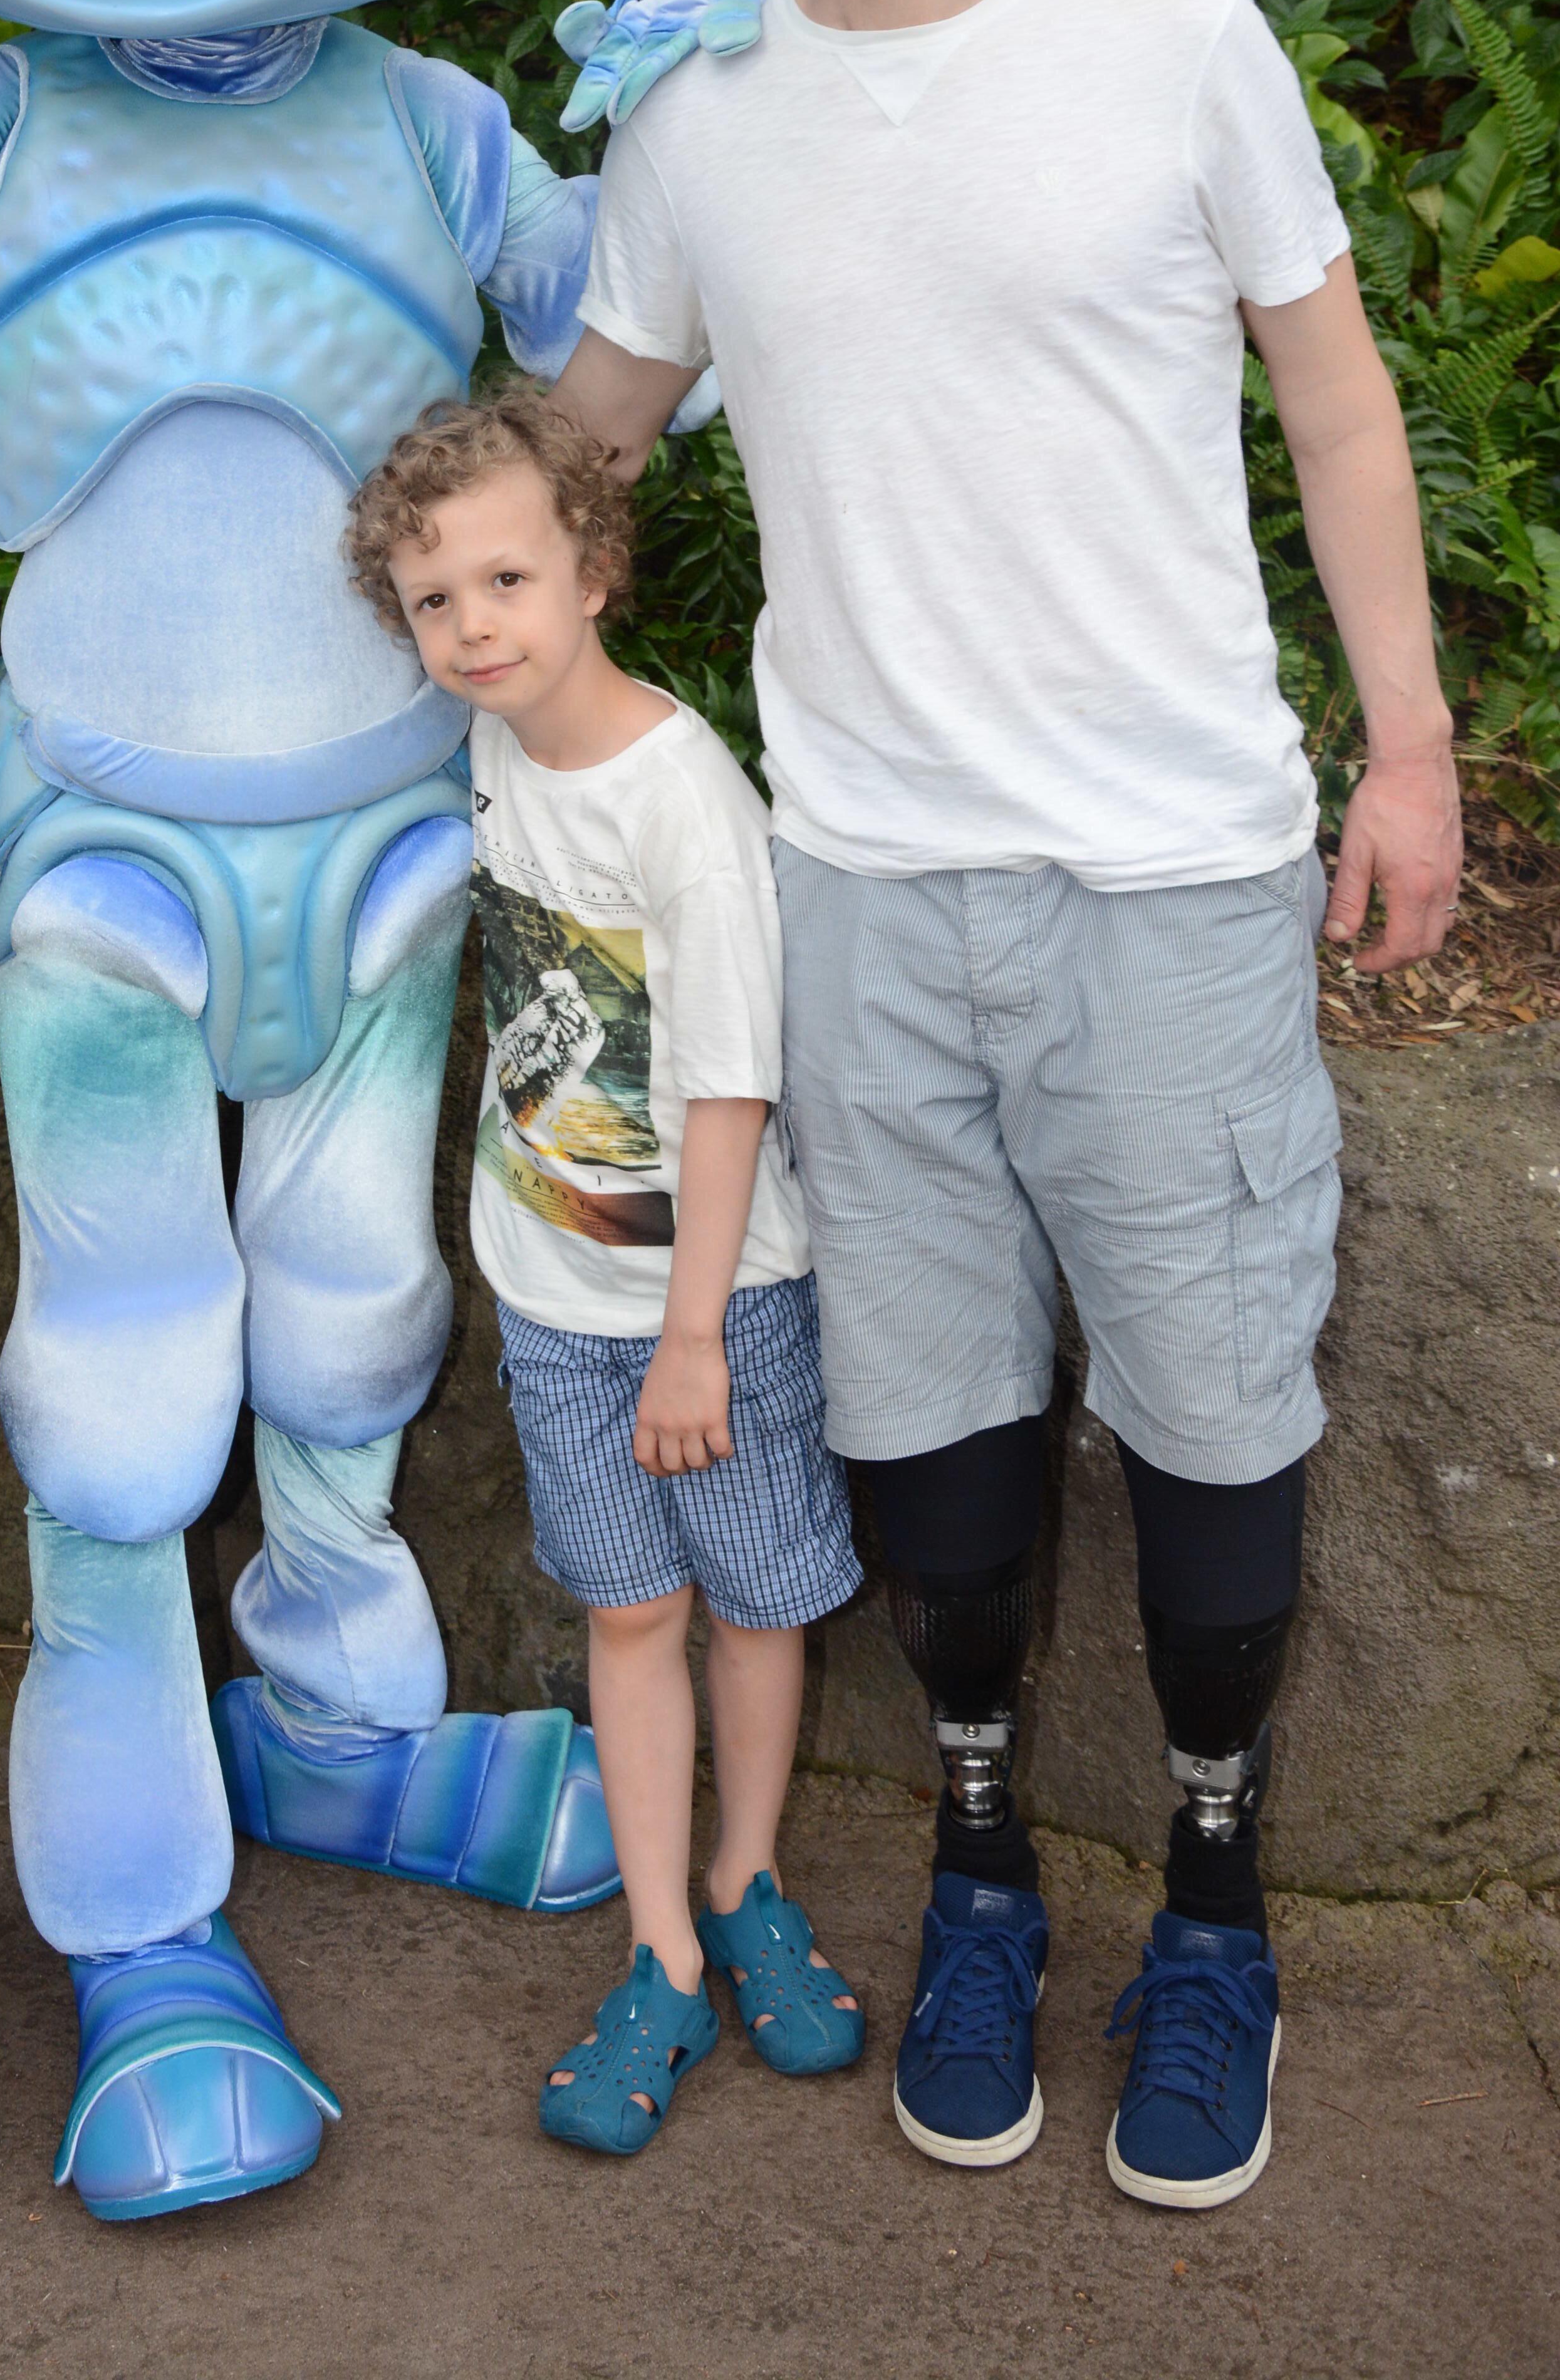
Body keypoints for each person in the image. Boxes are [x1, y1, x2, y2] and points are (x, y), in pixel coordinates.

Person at [551, 0, 1460, 2210]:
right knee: (938, 1464)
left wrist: (1401, 751)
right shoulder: (695, 112)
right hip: (855, 888)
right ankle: (971, 1877)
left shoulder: (1175, 48)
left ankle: (1211, 1915)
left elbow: (1342, 412)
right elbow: (577, 451)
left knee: (1205, 1430)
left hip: (1170, 874)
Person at [345, 386, 863, 2155]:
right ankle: (655, 1954)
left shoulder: (680, 798)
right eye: (433, 599)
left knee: (757, 1602)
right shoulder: (491, 745)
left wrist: (699, 1336)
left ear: (594, 572)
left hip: (720, 1305)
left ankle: (745, 1885)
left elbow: (730, 1083)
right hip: (557, 1303)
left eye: (506, 579)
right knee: (628, 1612)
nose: (472, 624)